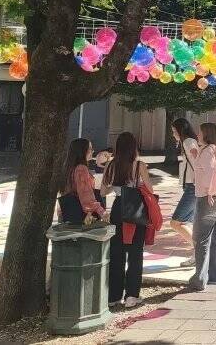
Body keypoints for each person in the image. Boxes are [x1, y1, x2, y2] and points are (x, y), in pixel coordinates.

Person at [100, 132, 152, 308]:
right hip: (135, 209)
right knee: (135, 252)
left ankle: (114, 296)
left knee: (116, 252)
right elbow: (150, 190)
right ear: (133, 147)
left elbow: (103, 191)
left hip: (118, 208)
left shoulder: (110, 165)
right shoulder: (139, 165)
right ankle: (131, 295)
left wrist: (117, 188)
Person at [187, 122, 216, 291]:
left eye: (199, 132)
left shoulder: (208, 151)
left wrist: (211, 191)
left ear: (206, 134)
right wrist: (196, 156)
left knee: (201, 238)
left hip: (208, 198)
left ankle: (199, 279)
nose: (197, 135)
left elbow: (212, 172)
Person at [170, 118, 200, 268]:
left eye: (174, 131)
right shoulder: (188, 142)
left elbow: (197, 162)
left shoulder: (188, 142)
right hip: (192, 187)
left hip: (193, 187)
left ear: (180, 130)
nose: (173, 134)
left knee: (175, 222)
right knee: (186, 222)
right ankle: (198, 253)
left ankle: (199, 250)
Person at [58, 138, 105, 224]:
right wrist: (102, 212)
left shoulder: (68, 168)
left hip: (68, 212)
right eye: (90, 148)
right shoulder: (81, 169)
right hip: (83, 215)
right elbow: (86, 195)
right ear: (82, 151)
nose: (93, 151)